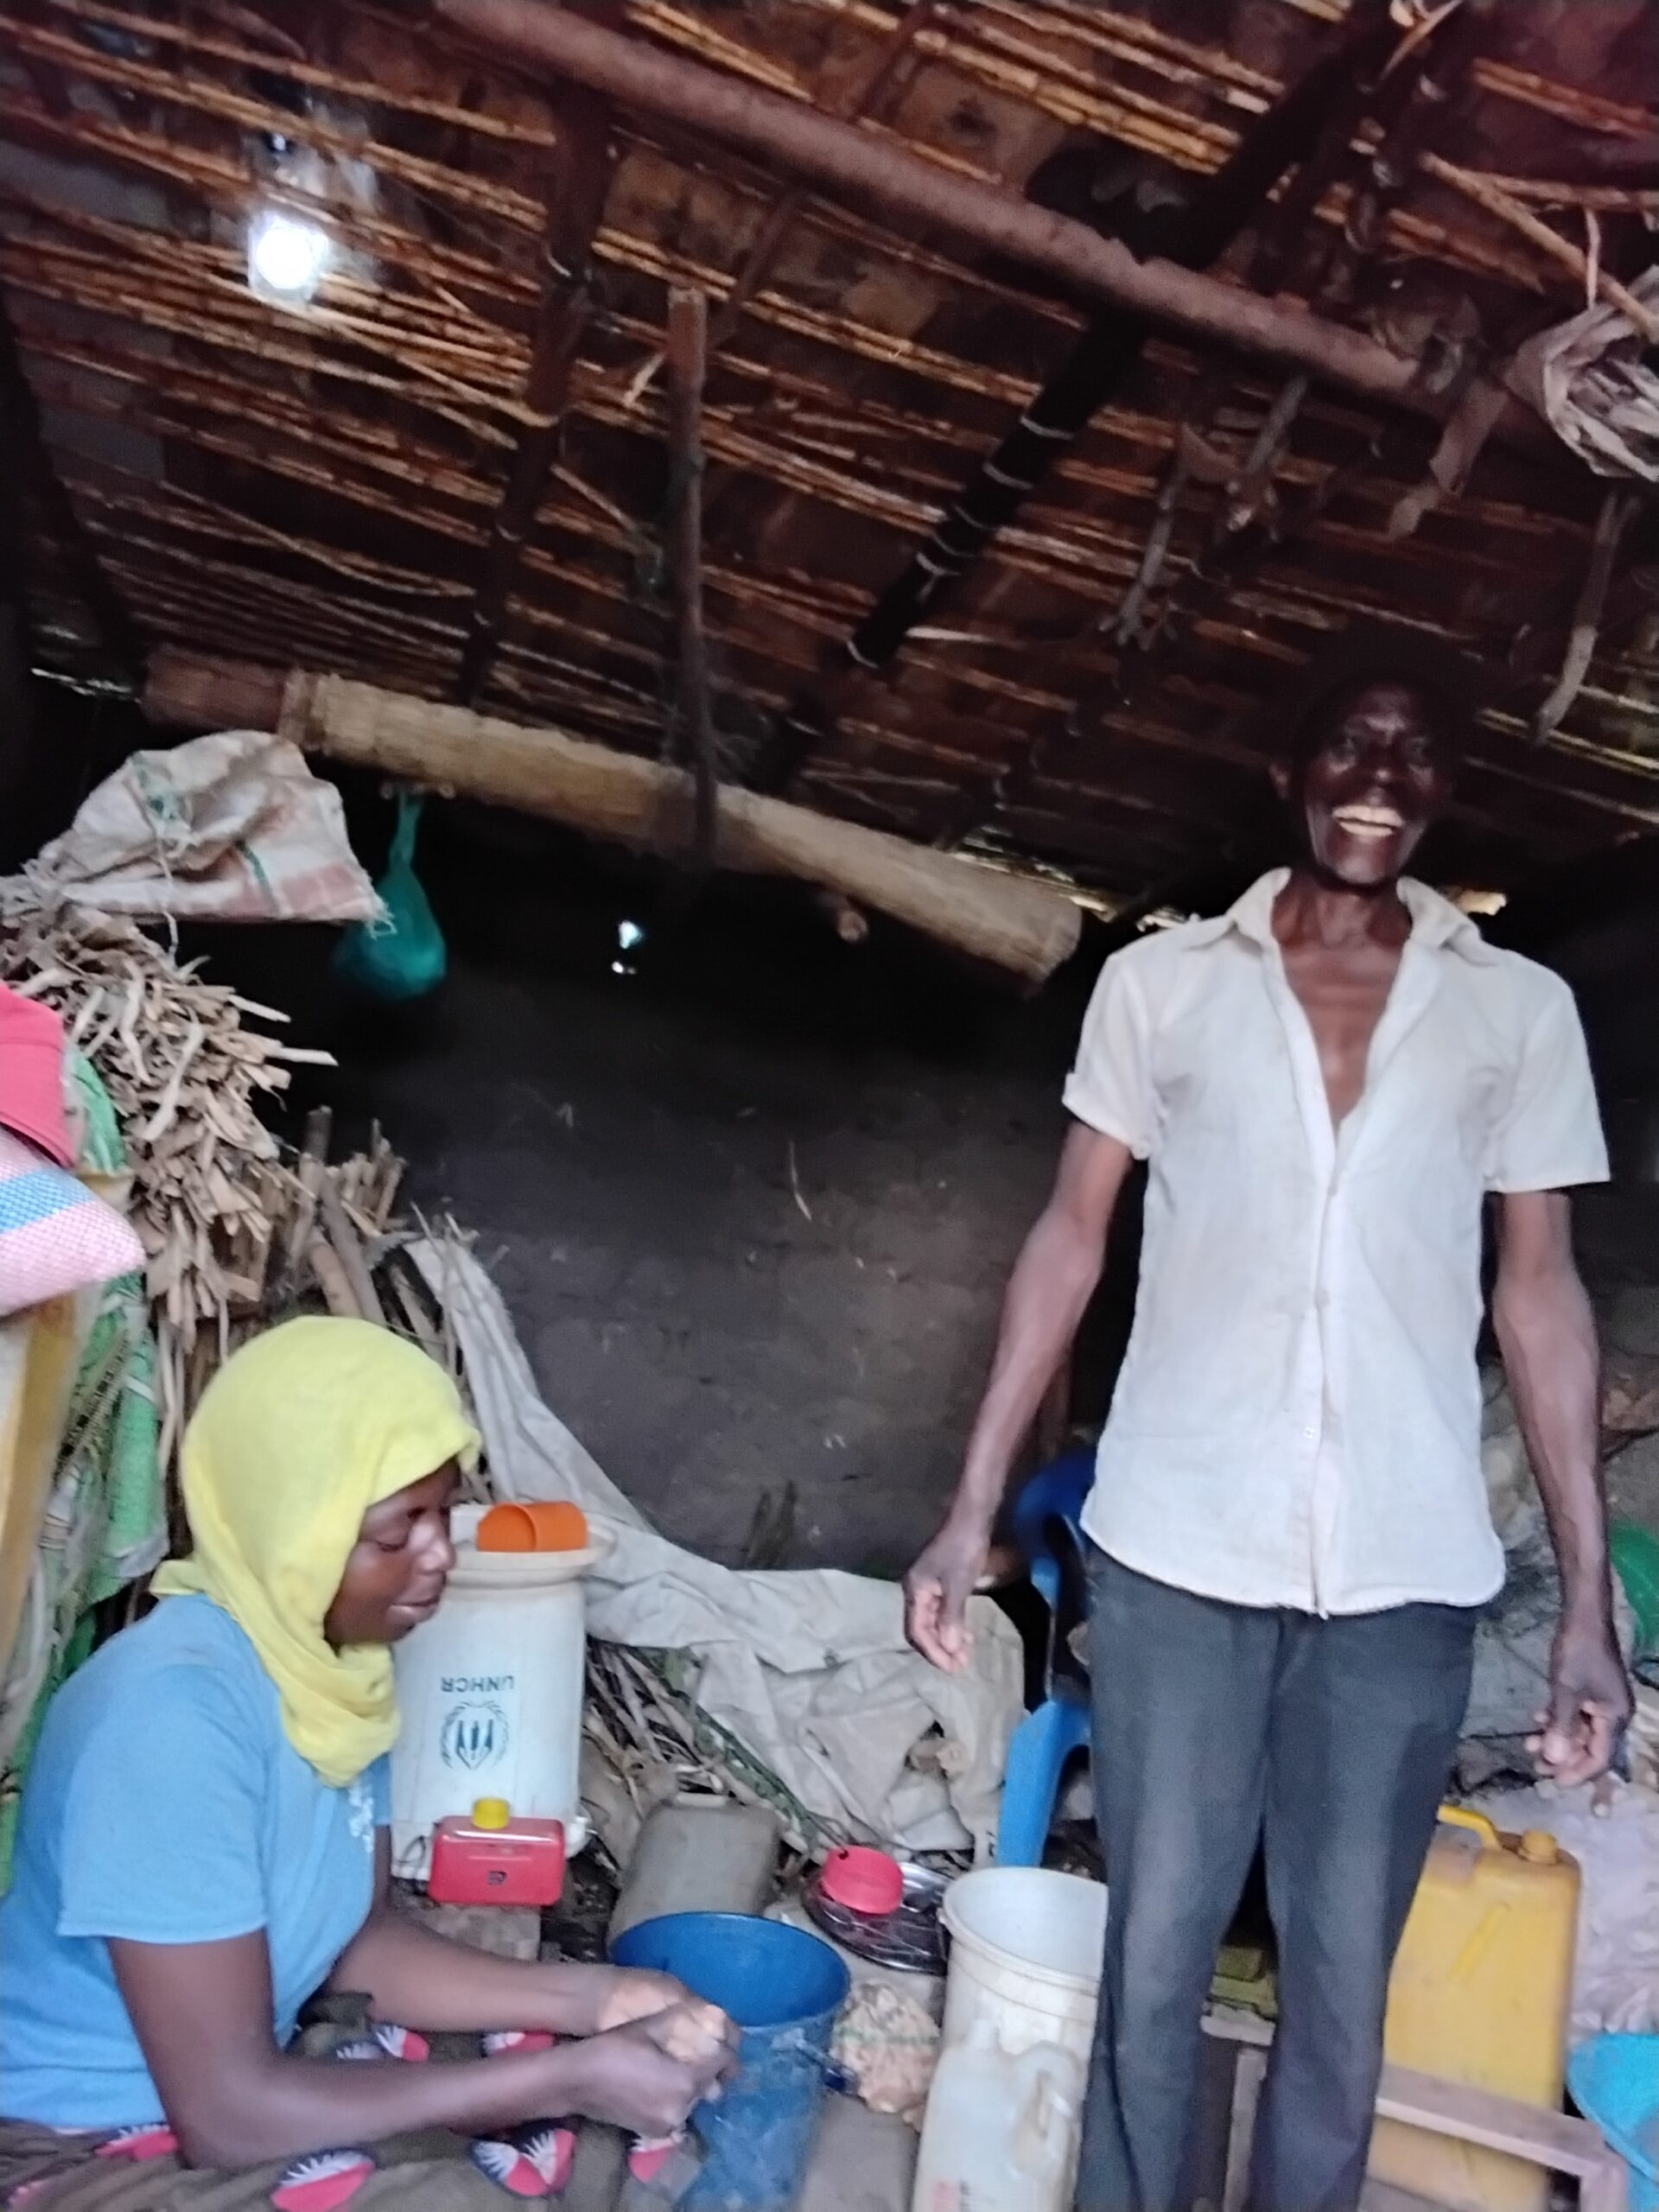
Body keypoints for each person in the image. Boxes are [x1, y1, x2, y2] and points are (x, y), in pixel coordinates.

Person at [903, 631, 1631, 2212]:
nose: (1379, 782)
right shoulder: (1162, 987)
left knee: (1342, 1987)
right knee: (1156, 1953)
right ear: (1291, 770)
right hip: (1178, 1549)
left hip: (1405, 1572)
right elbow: (1069, 1241)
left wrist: (1591, 1600)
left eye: (1414, 753)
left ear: (1447, 788)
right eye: (1350, 744)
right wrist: (969, 1512)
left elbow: (1541, 1299)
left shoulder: (1516, 1013)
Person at [0, 1318, 736, 2211]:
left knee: (626, 2131)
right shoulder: (170, 1721)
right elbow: (228, 2117)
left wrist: (597, 1998)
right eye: (396, 1534)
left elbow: (354, 1941)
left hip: (251, 2076)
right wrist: (566, 2078)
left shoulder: (331, 1675)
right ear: (294, 1532)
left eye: (443, 1515)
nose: (439, 1556)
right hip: (81, 2139)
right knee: (475, 2188)